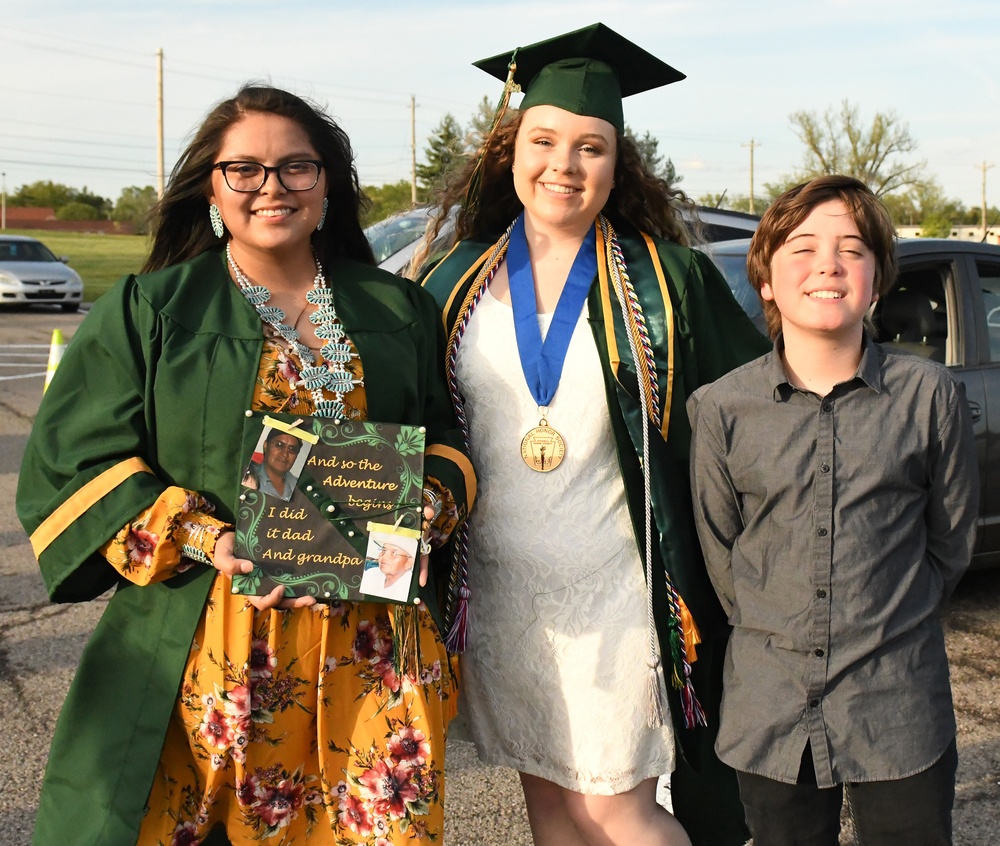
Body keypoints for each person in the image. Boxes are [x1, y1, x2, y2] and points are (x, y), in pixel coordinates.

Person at [16, 84, 475, 845]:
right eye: (246, 169)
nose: (272, 187)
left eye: (298, 167)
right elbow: (74, 461)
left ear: (328, 183)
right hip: (215, 640)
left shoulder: (396, 309)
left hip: (372, 648)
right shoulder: (156, 310)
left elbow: (450, 443)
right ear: (211, 185)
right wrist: (204, 538)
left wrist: (423, 508)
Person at [417, 24, 769, 846]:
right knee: (552, 807)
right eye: (544, 141)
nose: (564, 167)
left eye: (591, 148)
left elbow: (754, 401)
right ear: (511, 151)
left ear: (620, 163)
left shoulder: (666, 280)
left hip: (619, 590)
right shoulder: (451, 278)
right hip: (503, 595)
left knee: (621, 809)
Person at [687, 175, 978, 846]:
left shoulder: (928, 395)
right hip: (771, 706)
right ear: (766, 280)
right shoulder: (721, 408)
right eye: (802, 248)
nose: (827, 263)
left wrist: (886, 621)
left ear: (876, 281)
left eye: (852, 248)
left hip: (897, 700)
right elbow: (722, 551)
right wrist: (778, 625)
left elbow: (950, 541)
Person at [243, 428, 304, 500]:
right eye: (279, 445)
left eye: (292, 449)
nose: (285, 454)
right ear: (265, 445)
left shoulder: (302, 487)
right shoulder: (247, 479)